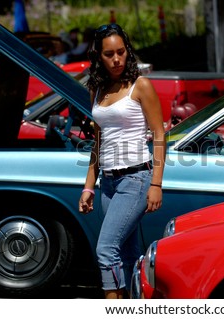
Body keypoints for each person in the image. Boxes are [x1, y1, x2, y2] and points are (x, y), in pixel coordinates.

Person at [78, 23, 166, 299]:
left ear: (128, 51)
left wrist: (156, 184)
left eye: (121, 52)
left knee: (106, 248)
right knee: (128, 254)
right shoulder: (98, 89)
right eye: (109, 54)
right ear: (98, 56)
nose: (116, 59)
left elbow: (160, 134)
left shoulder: (140, 85)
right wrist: (88, 186)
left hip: (136, 180)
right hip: (108, 184)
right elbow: (98, 142)